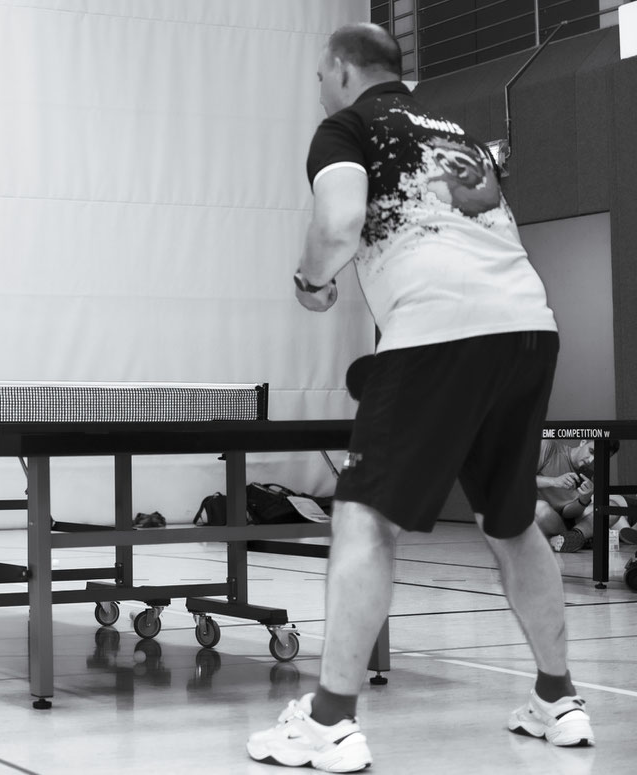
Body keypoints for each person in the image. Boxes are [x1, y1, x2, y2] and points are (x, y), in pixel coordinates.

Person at [246, 24, 592, 771]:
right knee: (509, 519)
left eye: (318, 75)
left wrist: (311, 281)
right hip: (528, 325)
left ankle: (330, 720)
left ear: (340, 70)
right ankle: (558, 698)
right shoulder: (451, 128)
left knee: (364, 514)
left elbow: (338, 223)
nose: (318, 88)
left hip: (438, 332)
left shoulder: (345, 125)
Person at [535, 438, 625, 552]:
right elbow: (517, 480)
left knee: (612, 508)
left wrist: (584, 499)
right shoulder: (549, 447)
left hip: (562, 521)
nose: (591, 460)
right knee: (541, 508)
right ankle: (573, 538)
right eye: (591, 451)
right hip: (538, 518)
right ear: (583, 442)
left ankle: (569, 538)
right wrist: (553, 481)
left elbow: (567, 513)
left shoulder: (591, 474)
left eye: (600, 458)